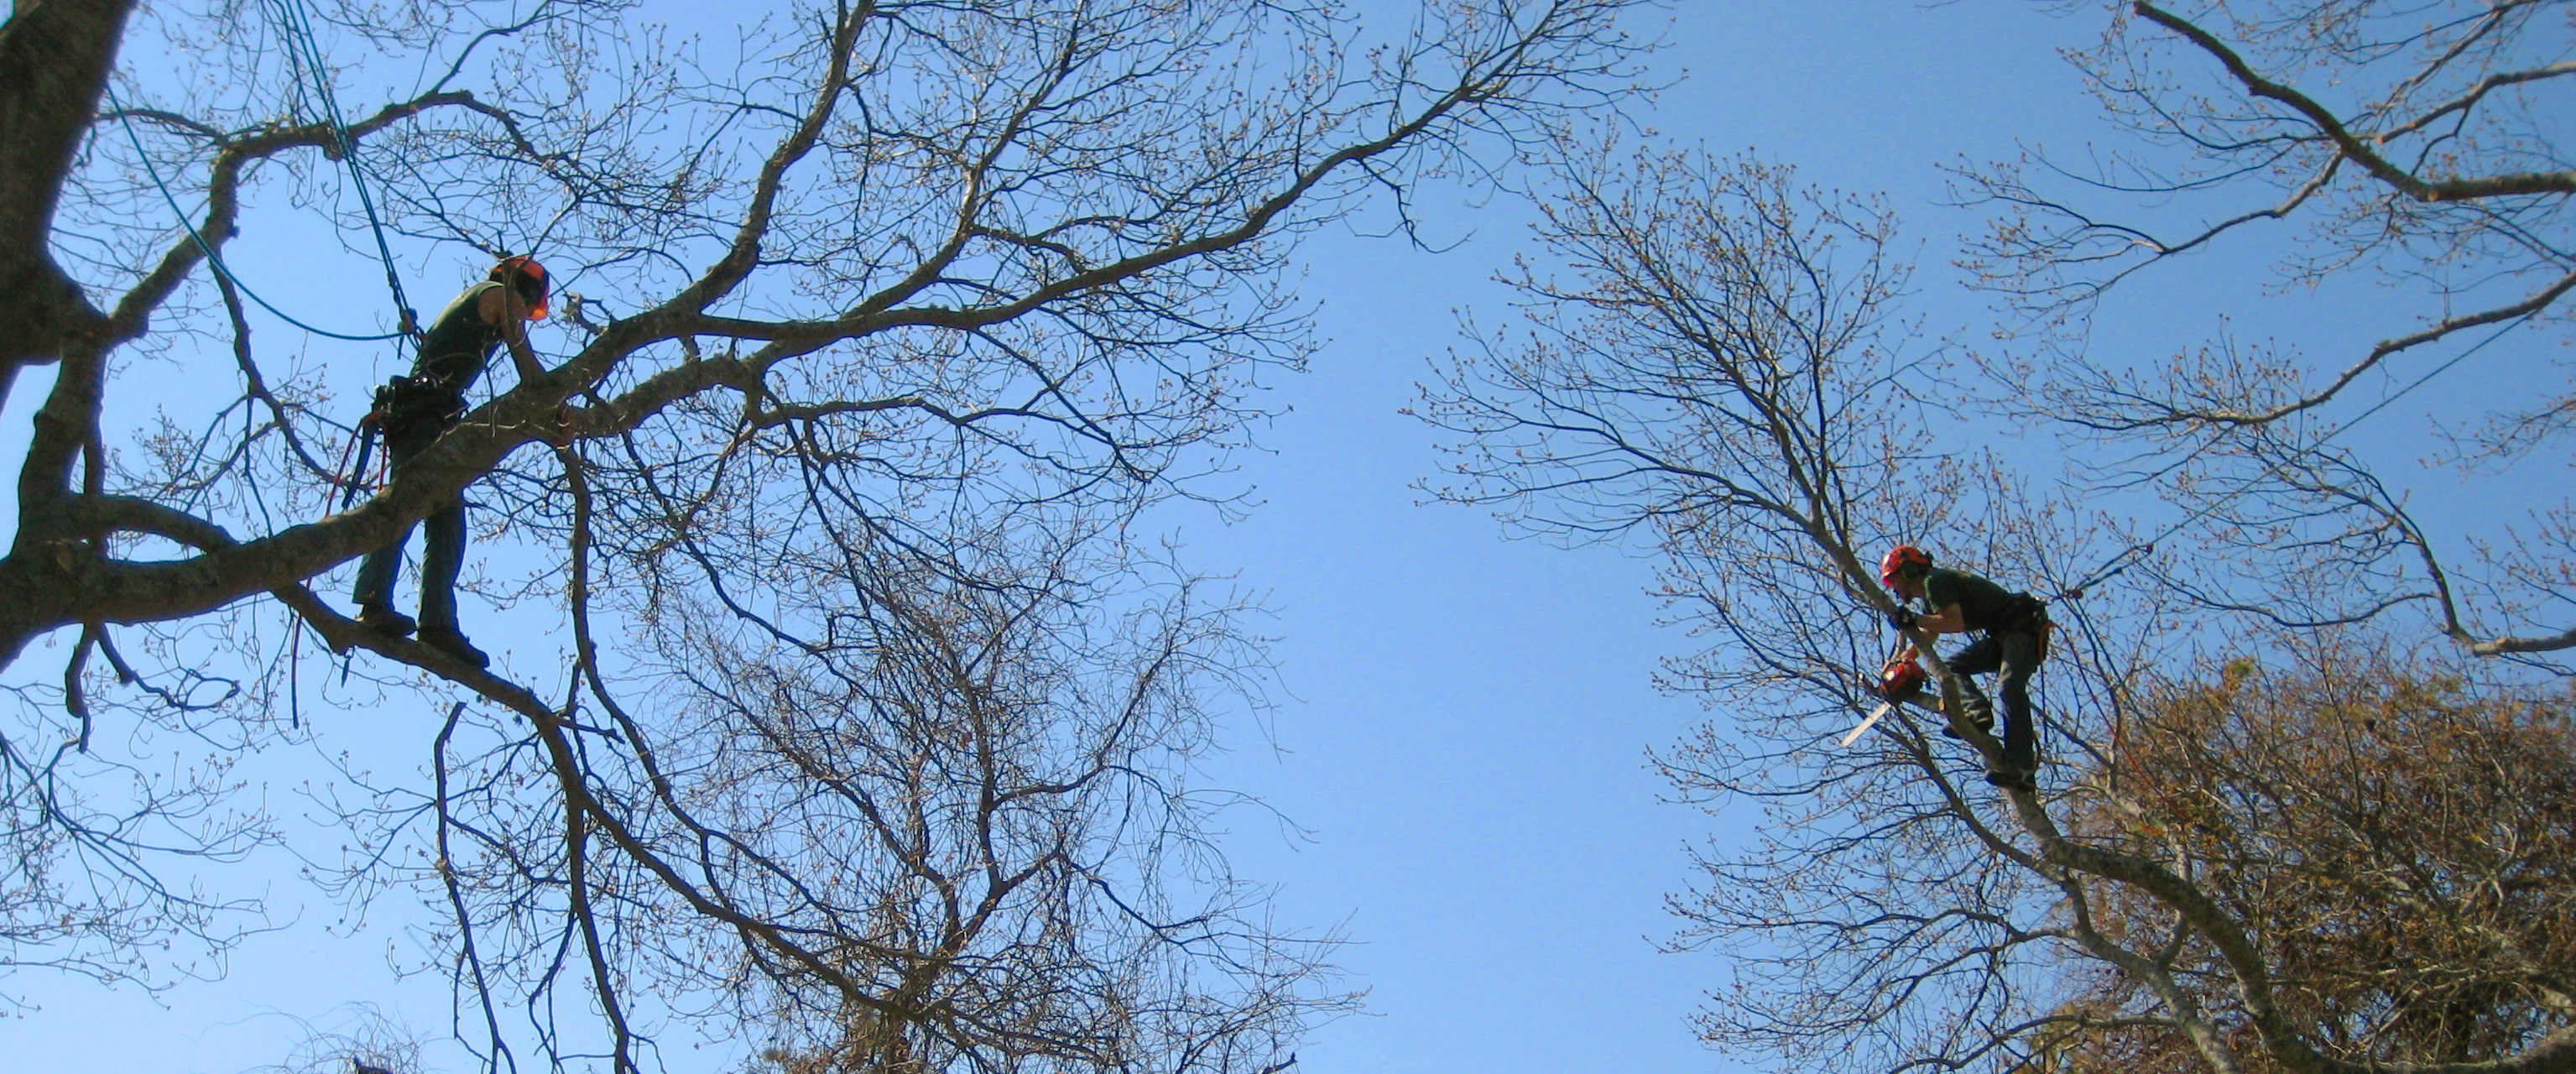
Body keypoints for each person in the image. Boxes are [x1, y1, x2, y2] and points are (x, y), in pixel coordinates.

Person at [349, 255, 550, 669]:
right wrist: (552, 401)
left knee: (441, 518)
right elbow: (525, 362)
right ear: (524, 288)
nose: (527, 316)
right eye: (531, 308)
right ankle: (385, 606)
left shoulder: (472, 298)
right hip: (422, 417)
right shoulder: (502, 296)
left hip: (427, 417)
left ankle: (430, 620)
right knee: (414, 508)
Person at [1879, 545, 2049, 789]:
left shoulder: (1936, 582)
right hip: (2002, 635)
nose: (1893, 588)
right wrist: (1906, 659)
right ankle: (1977, 712)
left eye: (1894, 579)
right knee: (1951, 668)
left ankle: (2021, 767)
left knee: (2010, 686)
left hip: (2023, 631)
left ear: (1908, 572)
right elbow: (1932, 630)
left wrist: (1913, 619)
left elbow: (1953, 622)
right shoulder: (1930, 594)